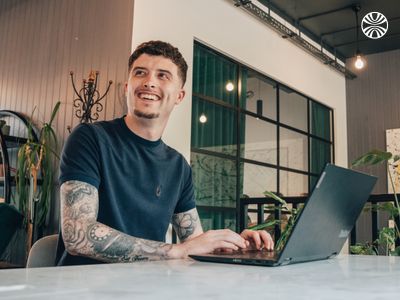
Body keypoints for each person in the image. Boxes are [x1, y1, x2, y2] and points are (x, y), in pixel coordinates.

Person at [56, 40, 273, 266]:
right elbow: (78, 236)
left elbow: (194, 241)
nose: (149, 82)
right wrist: (176, 251)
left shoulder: (178, 167)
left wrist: (235, 245)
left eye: (163, 75)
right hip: (83, 287)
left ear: (179, 96)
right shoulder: (89, 138)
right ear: (127, 87)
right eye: (140, 73)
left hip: (148, 287)